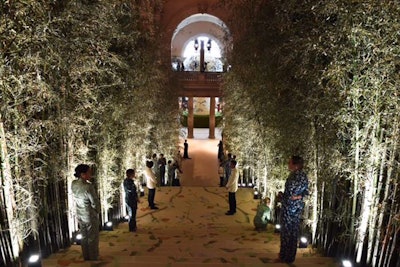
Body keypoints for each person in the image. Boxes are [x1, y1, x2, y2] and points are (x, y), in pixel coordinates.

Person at [279, 155, 309, 264]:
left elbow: (292, 191)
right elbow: (305, 192)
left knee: (288, 232)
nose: (288, 164)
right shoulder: (302, 175)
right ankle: (288, 256)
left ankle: (286, 256)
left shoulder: (297, 176)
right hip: (295, 206)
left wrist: (288, 196)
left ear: (296, 165)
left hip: (290, 207)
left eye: (290, 162)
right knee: (292, 231)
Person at [71, 164, 100, 261]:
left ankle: (86, 256)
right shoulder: (88, 186)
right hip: (89, 214)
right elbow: (94, 202)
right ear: (83, 174)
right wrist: (97, 210)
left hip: (79, 212)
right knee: (92, 237)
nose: (91, 174)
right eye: (89, 172)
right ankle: (93, 257)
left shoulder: (73, 183)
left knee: (84, 236)